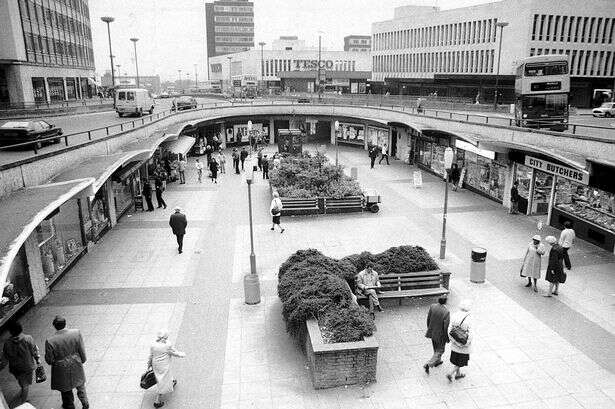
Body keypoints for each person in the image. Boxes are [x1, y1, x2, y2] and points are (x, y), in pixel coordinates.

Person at [45, 316, 89, 409]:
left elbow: (49, 359)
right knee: (80, 385)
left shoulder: (50, 341)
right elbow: (81, 348)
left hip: (61, 367)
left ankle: (69, 405)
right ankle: (85, 403)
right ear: (65, 323)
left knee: (66, 390)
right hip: (75, 362)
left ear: (55, 326)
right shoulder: (76, 333)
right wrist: (83, 359)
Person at [0, 321, 41, 404]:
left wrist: (1, 367)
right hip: (28, 366)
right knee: (26, 384)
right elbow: (34, 351)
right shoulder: (28, 338)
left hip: (15, 368)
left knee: (21, 381)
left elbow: (5, 357)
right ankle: (23, 402)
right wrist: (37, 360)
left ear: (10, 331)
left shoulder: (7, 343)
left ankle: (22, 389)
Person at [148, 330, 186, 408]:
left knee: (162, 378)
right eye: (166, 337)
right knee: (163, 382)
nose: (167, 338)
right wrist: (181, 354)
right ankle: (157, 401)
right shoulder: (166, 345)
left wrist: (149, 364)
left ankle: (172, 381)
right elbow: (173, 352)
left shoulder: (153, 344)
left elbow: (151, 355)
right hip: (164, 365)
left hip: (156, 365)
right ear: (164, 337)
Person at [446, 300, 472, 383]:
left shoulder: (454, 315)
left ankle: (458, 374)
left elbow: (449, 330)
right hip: (463, 344)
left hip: (455, 343)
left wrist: (454, 341)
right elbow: (470, 335)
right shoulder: (469, 318)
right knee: (461, 361)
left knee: (456, 358)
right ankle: (451, 373)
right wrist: (465, 344)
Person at [423, 296, 450, 374]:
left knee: (435, 347)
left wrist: (429, 328)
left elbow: (428, 319)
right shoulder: (446, 312)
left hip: (432, 331)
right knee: (441, 350)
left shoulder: (432, 306)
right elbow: (446, 327)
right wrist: (446, 337)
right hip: (440, 334)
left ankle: (438, 361)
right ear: (445, 302)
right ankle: (429, 363)